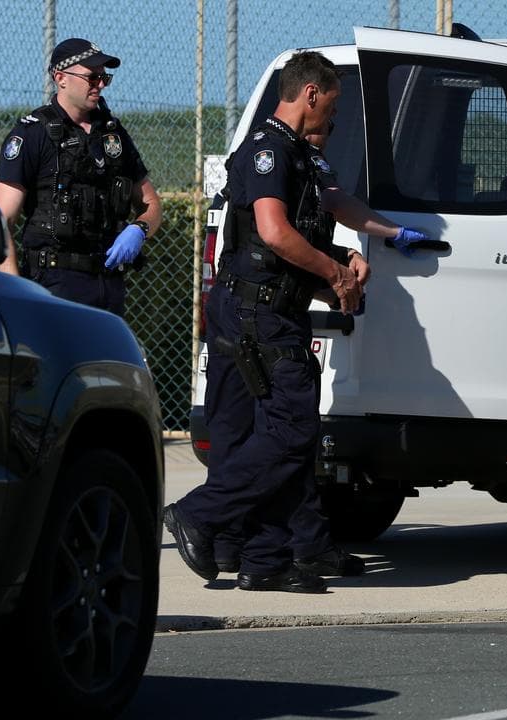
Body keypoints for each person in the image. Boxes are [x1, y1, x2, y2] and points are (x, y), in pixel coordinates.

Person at [163, 51, 429, 593]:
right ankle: (201, 516)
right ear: (311, 94)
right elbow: (275, 232)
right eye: (330, 106)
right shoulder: (268, 151)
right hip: (255, 311)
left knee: (276, 434)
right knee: (289, 429)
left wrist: (387, 234)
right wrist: (335, 272)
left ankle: (265, 559)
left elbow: (334, 204)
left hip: (268, 307)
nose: (332, 120)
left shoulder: (301, 157)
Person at [0, 38, 160, 315]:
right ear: (61, 78)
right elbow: (2, 221)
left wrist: (138, 230)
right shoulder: (32, 134)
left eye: (104, 77)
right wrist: (14, 293)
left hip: (108, 283)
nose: (101, 84)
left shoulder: (113, 135)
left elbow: (151, 204)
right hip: (53, 284)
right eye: (92, 77)